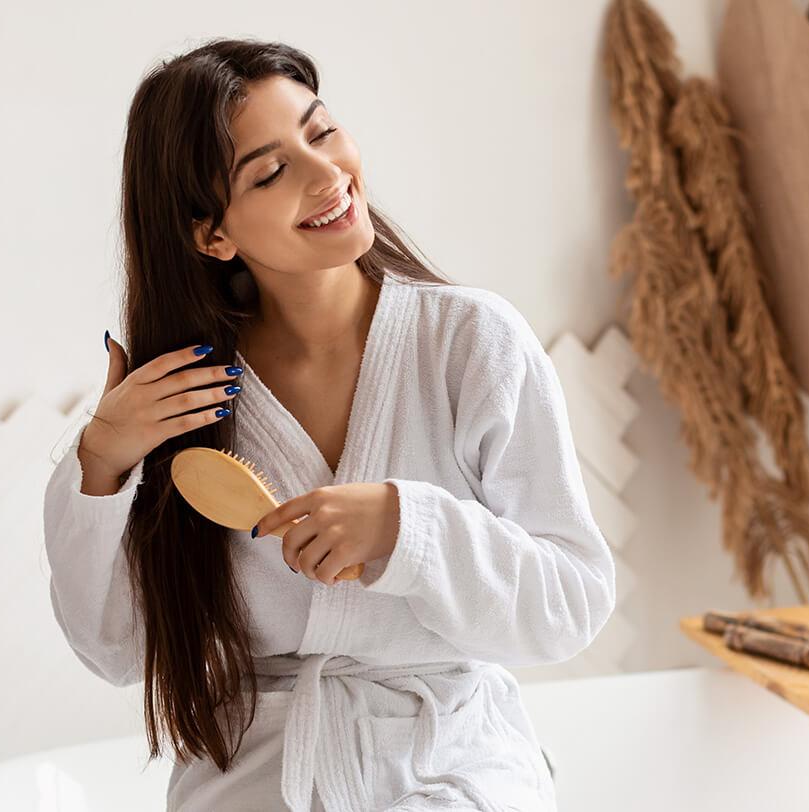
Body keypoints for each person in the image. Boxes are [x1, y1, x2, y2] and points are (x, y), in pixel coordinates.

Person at [43, 37, 616, 811]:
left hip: (447, 764)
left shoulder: (471, 342)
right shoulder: (189, 403)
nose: (329, 176)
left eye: (322, 132)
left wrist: (408, 531)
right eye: (272, 172)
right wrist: (102, 461)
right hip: (258, 774)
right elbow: (115, 652)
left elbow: (570, 604)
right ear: (212, 233)